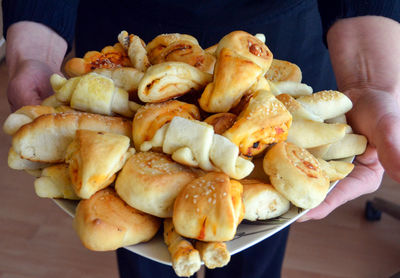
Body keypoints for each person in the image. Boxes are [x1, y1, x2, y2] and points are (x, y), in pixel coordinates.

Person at [3, 1, 400, 277]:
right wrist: (33, 49)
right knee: (136, 240)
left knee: (254, 244)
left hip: (272, 42)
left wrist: (369, 81)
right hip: (122, 29)